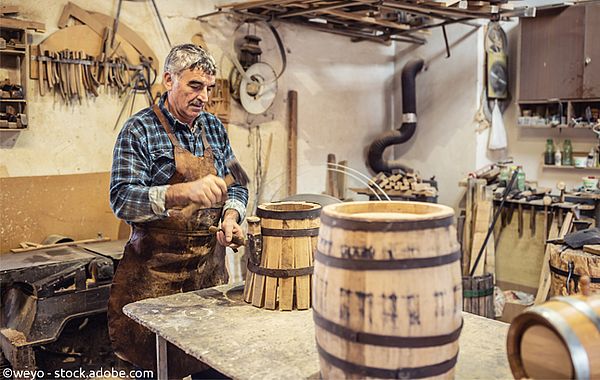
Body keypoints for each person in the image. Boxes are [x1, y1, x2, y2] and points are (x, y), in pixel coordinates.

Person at [107, 44, 248, 377]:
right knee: (155, 366)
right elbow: (122, 199)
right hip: (153, 283)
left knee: (212, 366)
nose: (203, 97)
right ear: (169, 79)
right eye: (194, 86)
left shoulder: (213, 128)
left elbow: (238, 182)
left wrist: (231, 216)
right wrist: (181, 192)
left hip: (208, 279)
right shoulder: (138, 130)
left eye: (209, 88)